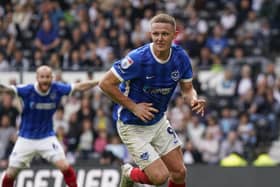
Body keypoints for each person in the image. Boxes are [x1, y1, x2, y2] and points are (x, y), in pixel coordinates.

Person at [99, 13, 206, 187]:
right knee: (159, 178)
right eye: (155, 34)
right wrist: (134, 107)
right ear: (150, 34)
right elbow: (105, 83)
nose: (159, 38)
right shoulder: (138, 59)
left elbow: (187, 89)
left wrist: (193, 99)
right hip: (132, 124)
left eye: (164, 34)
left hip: (158, 122)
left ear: (174, 34)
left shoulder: (181, 58)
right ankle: (129, 173)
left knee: (179, 173)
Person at [0, 65, 99, 187]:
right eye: (42, 77)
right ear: (37, 78)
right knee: (10, 174)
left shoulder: (57, 88)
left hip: (47, 137)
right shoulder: (28, 90)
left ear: (52, 78)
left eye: (47, 77)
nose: (45, 80)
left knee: (65, 166)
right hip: (26, 138)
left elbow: (80, 87)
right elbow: (6, 89)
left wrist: (99, 81)